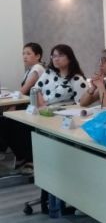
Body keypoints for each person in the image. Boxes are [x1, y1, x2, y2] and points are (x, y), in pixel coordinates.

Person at [6, 44, 87, 174]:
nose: (56, 59)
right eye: (54, 56)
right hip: (42, 111)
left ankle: (32, 159)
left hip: (60, 115)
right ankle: (25, 157)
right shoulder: (49, 72)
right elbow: (35, 88)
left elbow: (81, 104)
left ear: (70, 58)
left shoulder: (77, 79)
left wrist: (46, 108)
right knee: (9, 123)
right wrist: (42, 104)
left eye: (60, 55)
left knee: (22, 127)